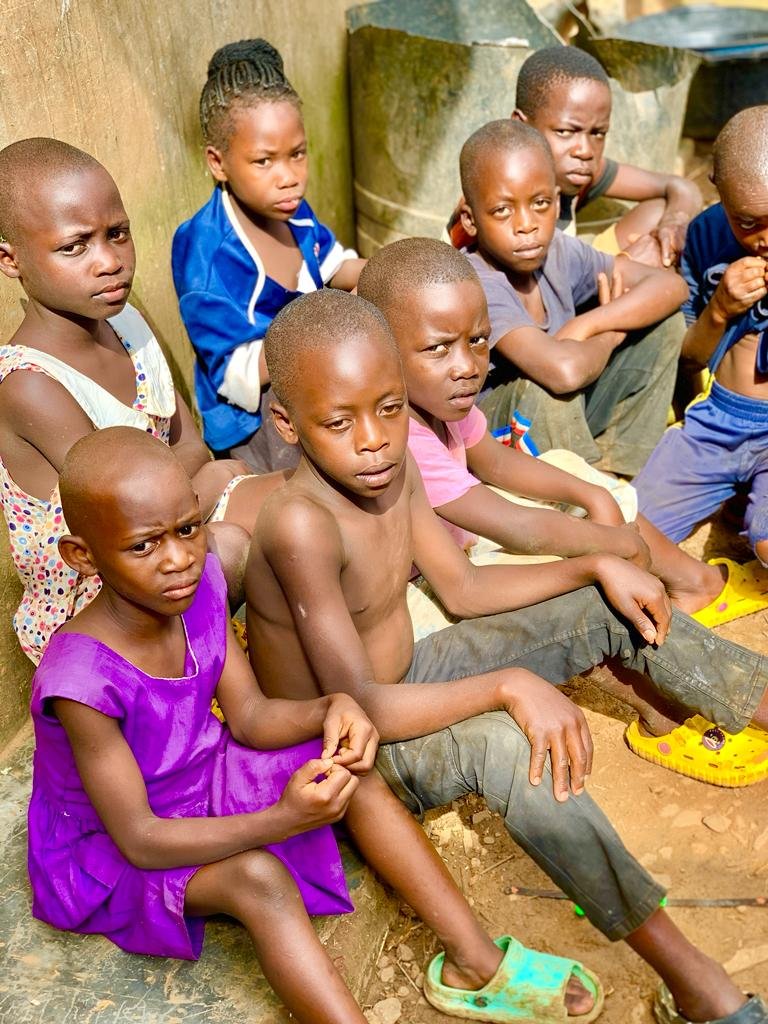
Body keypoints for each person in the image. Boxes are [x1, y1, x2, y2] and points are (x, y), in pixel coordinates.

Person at [246, 287, 768, 1023]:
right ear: (286, 424)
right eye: (339, 421)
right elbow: (359, 706)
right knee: (507, 745)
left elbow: (460, 588)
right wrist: (508, 685)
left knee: (606, 601)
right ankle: (692, 977)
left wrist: (591, 569)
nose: (372, 438)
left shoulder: (394, 471)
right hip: (357, 736)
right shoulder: (299, 524)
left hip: (415, 676)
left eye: (390, 408)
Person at [30, 426, 607, 1024]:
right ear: (83, 554)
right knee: (259, 879)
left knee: (345, 763)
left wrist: (328, 708)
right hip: (108, 850)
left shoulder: (197, 589)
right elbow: (141, 839)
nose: (177, 558)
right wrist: (281, 819)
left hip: (202, 777)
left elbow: (250, 716)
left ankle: (474, 962)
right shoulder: (81, 681)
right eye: (144, 546)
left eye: (187, 529)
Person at [357, 235, 765, 629]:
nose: (467, 366)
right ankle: (679, 588)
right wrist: (610, 543)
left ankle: (692, 583)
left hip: (463, 548)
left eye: (479, 340)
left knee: (567, 469)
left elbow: (495, 460)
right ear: (380, 348)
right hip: (426, 595)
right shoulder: (402, 437)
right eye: (439, 348)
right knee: (582, 552)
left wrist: (593, 495)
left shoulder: (437, 401)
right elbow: (515, 526)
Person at [0, 137, 281, 665]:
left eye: (118, 234)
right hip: (100, 598)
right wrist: (208, 481)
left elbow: (189, 446)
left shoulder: (127, 323)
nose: (109, 261)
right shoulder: (29, 384)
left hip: (168, 533)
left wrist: (207, 478)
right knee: (238, 540)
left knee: (296, 499)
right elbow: (132, 517)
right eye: (75, 246)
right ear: (9, 260)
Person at [172, 38, 365, 472]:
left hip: (317, 372)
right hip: (258, 416)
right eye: (264, 161)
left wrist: (389, 273)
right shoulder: (208, 253)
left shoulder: (292, 212)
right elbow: (234, 372)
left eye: (297, 155)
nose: (289, 178)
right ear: (218, 163)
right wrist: (325, 326)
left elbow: (335, 266)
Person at [458, 119, 687, 478]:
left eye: (540, 203)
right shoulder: (476, 282)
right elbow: (563, 373)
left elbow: (671, 287)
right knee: (549, 391)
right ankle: (584, 500)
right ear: (470, 220)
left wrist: (590, 323)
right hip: (499, 443)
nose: (526, 224)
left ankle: (614, 473)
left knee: (664, 324)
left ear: (557, 200)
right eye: (503, 210)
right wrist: (612, 332)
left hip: (567, 415)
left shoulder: (558, 253)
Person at [635, 106, 768, 588]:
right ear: (718, 189)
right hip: (715, 423)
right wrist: (719, 309)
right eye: (748, 221)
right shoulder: (707, 236)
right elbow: (689, 357)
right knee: (630, 535)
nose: (765, 239)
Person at [448, 46, 702, 268]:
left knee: (657, 216)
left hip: (565, 271)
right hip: (507, 299)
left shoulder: (579, 170)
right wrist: (623, 266)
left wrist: (675, 223)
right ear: (522, 125)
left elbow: (680, 186)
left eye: (598, 133)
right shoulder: (496, 204)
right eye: (565, 131)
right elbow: (528, 299)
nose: (585, 150)